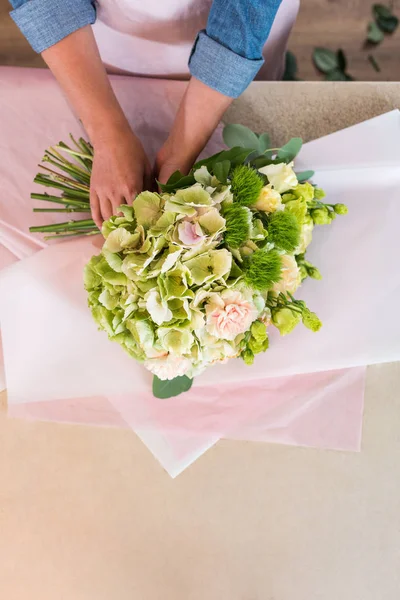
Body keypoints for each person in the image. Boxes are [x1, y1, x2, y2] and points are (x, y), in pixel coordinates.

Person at [9, 0, 300, 228]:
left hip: (241, 32)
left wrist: (181, 152)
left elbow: (247, 9)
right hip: (111, 28)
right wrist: (108, 136)